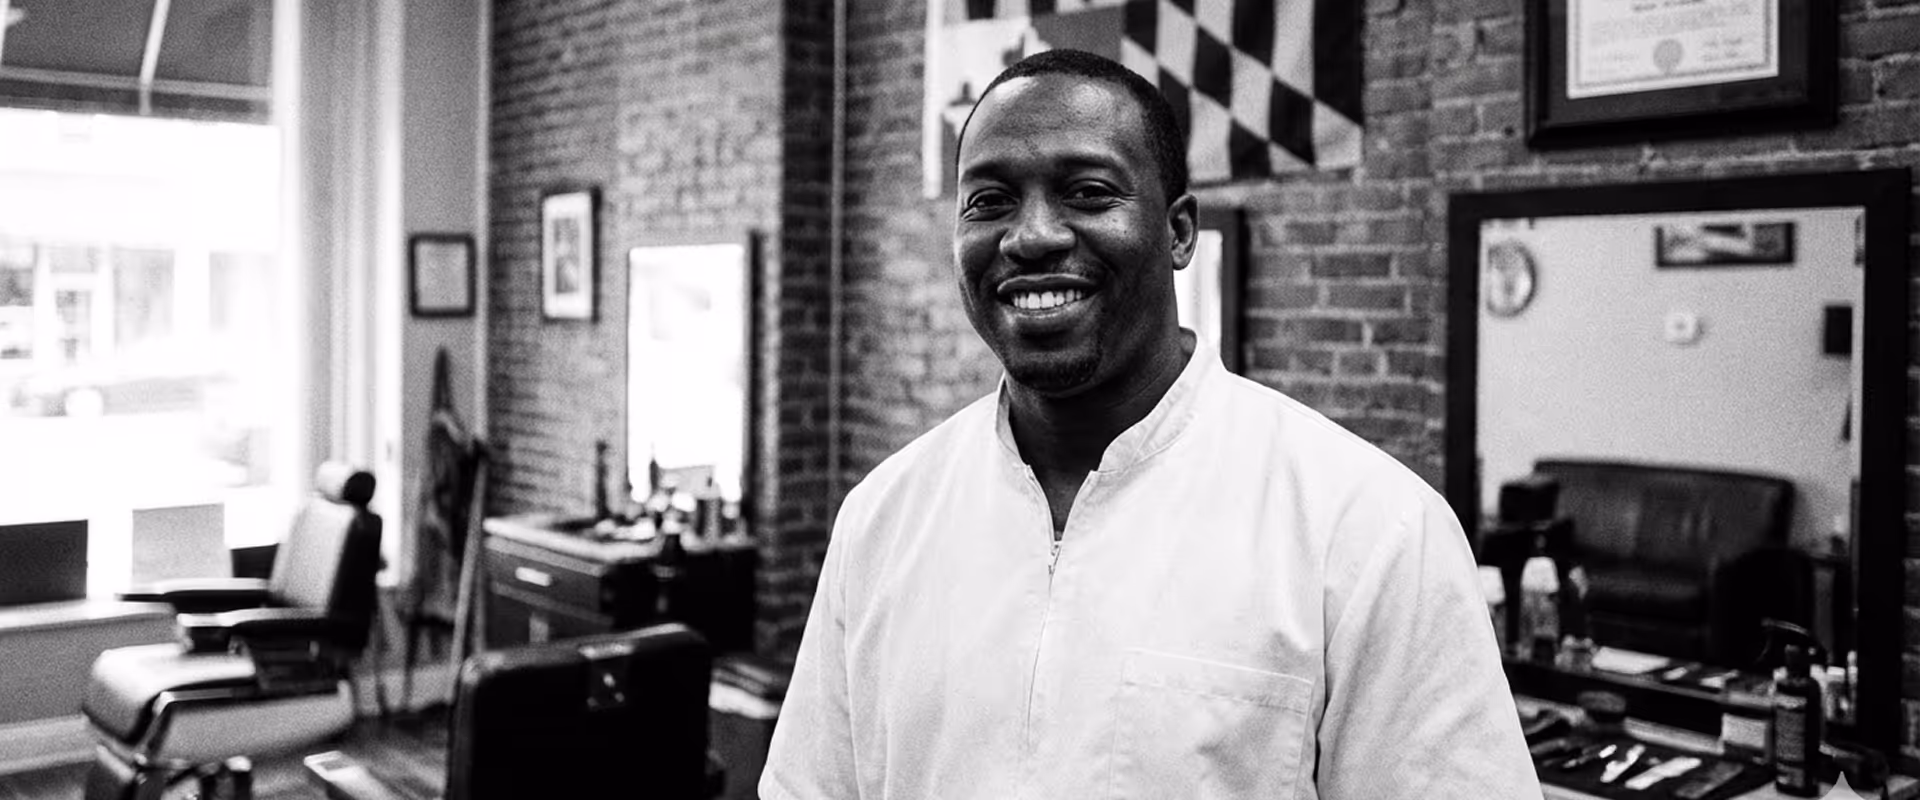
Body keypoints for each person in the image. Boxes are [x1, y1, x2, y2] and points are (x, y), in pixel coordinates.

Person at [760, 48, 1540, 798]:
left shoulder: (1368, 531)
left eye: (1089, 193)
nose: (1030, 236)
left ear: (1178, 232)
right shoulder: (884, 518)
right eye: (989, 201)